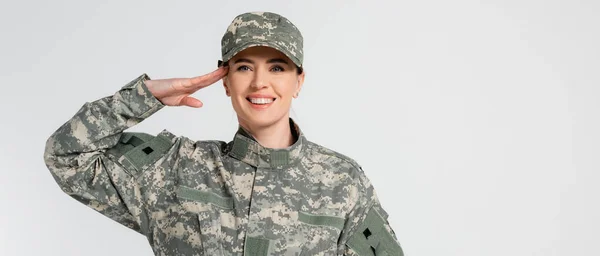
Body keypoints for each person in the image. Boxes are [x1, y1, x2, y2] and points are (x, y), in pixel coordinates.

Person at [43, 11, 404, 256]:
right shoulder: (175, 167)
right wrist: (145, 96)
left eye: (277, 67)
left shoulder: (342, 182)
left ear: (299, 81)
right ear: (226, 81)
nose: (260, 82)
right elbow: (66, 155)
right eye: (244, 66)